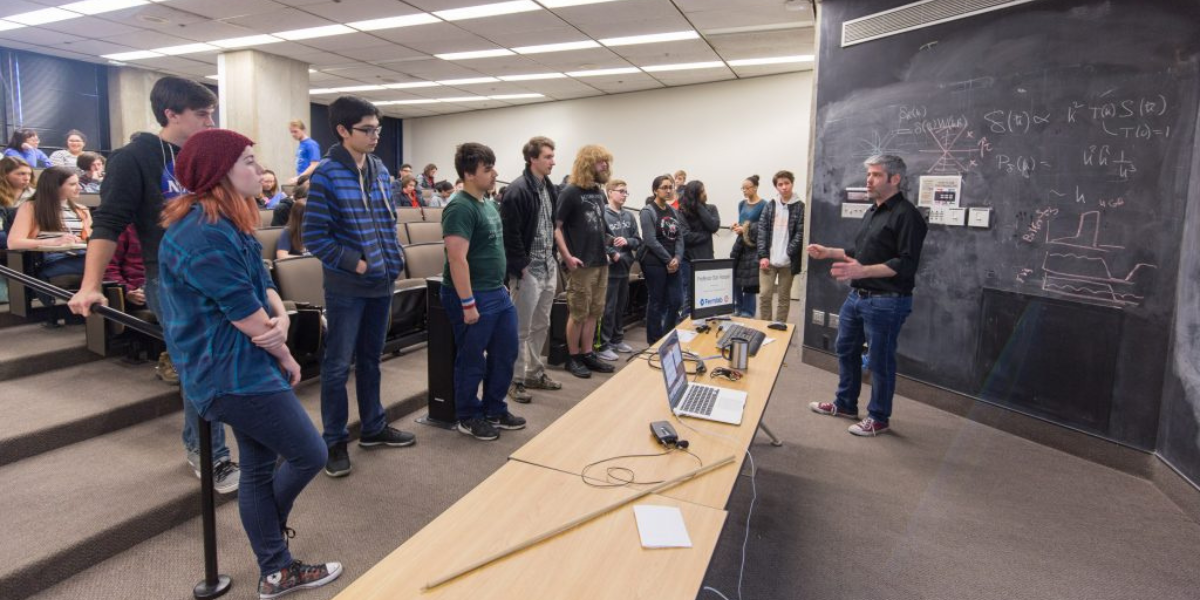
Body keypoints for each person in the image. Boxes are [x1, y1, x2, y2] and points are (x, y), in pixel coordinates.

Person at [158, 128, 341, 596]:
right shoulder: (201, 233)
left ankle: (275, 569)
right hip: (230, 374)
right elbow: (245, 315)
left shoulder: (226, 223)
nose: (259, 170)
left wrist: (279, 318)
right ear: (219, 172)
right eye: (248, 161)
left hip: (246, 364)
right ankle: (271, 540)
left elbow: (260, 284)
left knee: (259, 469)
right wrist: (283, 349)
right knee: (309, 453)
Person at [66, 76, 239, 493]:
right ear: (171, 114)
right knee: (199, 367)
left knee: (225, 364)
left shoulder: (206, 156)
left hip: (217, 273)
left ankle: (229, 443)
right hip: (170, 279)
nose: (210, 121)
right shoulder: (135, 157)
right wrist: (91, 285)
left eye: (212, 112)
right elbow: (108, 224)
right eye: (202, 114)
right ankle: (208, 453)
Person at [303, 95, 415, 478]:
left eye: (377, 129)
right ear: (342, 130)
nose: (375, 136)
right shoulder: (326, 174)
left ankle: (372, 427)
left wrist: (392, 259)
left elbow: (386, 221)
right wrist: (357, 262)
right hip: (347, 286)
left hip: (381, 281)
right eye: (366, 130)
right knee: (337, 366)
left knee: (371, 361)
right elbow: (314, 237)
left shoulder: (380, 168)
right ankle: (334, 440)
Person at [808, 155, 928, 437]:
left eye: (875, 175)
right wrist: (830, 252)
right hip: (858, 297)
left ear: (894, 179)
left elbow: (906, 264)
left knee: (879, 360)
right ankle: (846, 404)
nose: (868, 180)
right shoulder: (873, 211)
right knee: (845, 349)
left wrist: (864, 271)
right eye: (869, 175)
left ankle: (879, 417)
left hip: (888, 301)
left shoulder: (908, 216)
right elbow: (859, 251)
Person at [440, 142, 526, 440]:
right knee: (473, 357)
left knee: (506, 352)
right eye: (487, 169)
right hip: (472, 294)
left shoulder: (488, 202)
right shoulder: (459, 206)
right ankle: (468, 415)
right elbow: (456, 259)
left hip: (496, 292)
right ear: (468, 174)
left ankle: (494, 408)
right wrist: (467, 303)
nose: (494, 174)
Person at [500, 136, 562, 403]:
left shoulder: (548, 187)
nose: (553, 161)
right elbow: (510, 234)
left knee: (541, 325)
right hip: (528, 271)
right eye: (547, 156)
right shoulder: (518, 190)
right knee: (520, 329)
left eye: (552, 156)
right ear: (532, 159)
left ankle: (535, 372)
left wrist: (555, 258)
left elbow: (550, 228)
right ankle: (515, 380)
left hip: (548, 266)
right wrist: (521, 266)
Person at [554, 144, 620, 379]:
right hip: (581, 263)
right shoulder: (570, 192)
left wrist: (610, 247)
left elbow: (600, 227)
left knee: (595, 312)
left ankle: (588, 352)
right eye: (601, 162)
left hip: (600, 261)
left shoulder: (598, 191)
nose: (605, 166)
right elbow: (557, 227)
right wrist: (567, 256)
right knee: (579, 313)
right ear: (588, 163)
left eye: (606, 162)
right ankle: (573, 358)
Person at [6, 166, 91, 281]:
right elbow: (14, 243)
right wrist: (53, 242)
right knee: (101, 264)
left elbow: (91, 240)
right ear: (54, 187)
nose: (79, 188)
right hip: (52, 259)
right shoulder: (31, 207)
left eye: (78, 183)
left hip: (81, 255)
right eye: (72, 184)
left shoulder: (81, 209)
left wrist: (79, 240)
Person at [639, 175, 686, 345]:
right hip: (654, 262)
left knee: (676, 300)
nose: (668, 190)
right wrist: (668, 260)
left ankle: (666, 335)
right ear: (655, 190)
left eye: (670, 187)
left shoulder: (673, 211)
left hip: (673, 261)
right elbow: (650, 240)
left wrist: (678, 258)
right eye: (664, 187)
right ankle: (654, 341)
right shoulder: (648, 211)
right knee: (657, 301)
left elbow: (680, 237)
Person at [597, 178, 640, 359]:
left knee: (620, 306)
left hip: (625, 268)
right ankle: (603, 344)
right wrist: (612, 251)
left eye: (625, 192)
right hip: (610, 270)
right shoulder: (603, 214)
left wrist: (628, 242)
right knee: (608, 308)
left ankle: (616, 339)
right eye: (621, 191)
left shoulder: (629, 216)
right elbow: (598, 240)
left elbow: (638, 240)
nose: (624, 195)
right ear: (610, 193)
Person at [756, 170, 805, 323]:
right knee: (764, 295)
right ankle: (765, 325)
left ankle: (779, 326)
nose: (784, 187)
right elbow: (762, 230)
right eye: (780, 184)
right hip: (768, 261)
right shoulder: (770, 205)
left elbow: (800, 233)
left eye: (787, 183)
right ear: (776, 187)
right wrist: (763, 255)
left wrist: (789, 253)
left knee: (784, 297)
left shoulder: (800, 206)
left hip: (788, 262)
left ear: (792, 184)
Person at [678, 180, 719, 321]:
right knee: (689, 298)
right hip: (687, 260)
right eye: (701, 192)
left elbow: (713, 226)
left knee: (706, 295)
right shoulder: (682, 212)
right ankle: (685, 330)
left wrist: (700, 206)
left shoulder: (711, 208)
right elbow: (685, 236)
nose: (705, 193)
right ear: (694, 194)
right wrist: (706, 235)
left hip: (706, 259)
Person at [730, 175, 766, 317]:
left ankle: (748, 311)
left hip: (753, 247)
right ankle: (738, 307)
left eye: (747, 188)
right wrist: (736, 226)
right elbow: (743, 222)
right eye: (742, 188)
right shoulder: (741, 204)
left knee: (751, 281)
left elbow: (763, 227)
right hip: (740, 246)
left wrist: (744, 229)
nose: (744, 191)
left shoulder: (764, 205)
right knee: (736, 278)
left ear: (755, 187)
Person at [104, 225, 146, 308]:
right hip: (139, 289)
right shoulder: (125, 228)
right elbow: (109, 267)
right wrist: (127, 290)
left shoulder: (175, 228)